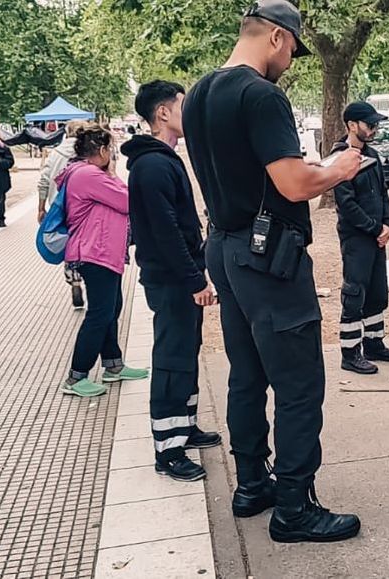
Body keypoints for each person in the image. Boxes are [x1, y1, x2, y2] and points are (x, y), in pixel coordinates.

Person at [182, 0, 362, 544]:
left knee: (247, 373)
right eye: (292, 52)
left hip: (226, 245)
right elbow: (293, 185)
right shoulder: (261, 95)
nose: (291, 62)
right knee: (299, 383)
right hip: (269, 257)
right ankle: (295, 508)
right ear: (278, 39)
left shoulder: (198, 94)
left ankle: (252, 484)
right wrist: (337, 169)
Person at [121, 80, 223, 482]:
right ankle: (168, 449)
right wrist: (194, 278)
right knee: (171, 359)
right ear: (162, 113)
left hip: (179, 277)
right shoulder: (153, 165)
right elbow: (165, 234)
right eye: (182, 106)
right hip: (171, 281)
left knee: (185, 353)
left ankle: (185, 424)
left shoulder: (163, 159)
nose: (189, 113)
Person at [58, 124, 149, 397]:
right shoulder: (88, 174)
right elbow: (127, 200)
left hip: (102, 252)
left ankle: (113, 365)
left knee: (111, 308)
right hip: (95, 253)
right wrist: (110, 172)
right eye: (110, 149)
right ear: (101, 149)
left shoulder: (85, 172)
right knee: (99, 314)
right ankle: (76, 377)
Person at [332, 101, 389, 375]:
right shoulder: (340, 158)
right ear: (352, 125)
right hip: (357, 238)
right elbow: (347, 205)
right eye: (369, 124)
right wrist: (374, 229)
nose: (374, 129)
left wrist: (388, 223)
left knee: (377, 291)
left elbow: (384, 194)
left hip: (377, 236)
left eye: (376, 124)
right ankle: (350, 352)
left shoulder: (372, 155)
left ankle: (375, 343)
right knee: (355, 292)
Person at [38, 120, 89, 309]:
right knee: (86, 243)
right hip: (85, 208)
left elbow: (43, 181)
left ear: (66, 133)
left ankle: (73, 277)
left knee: (68, 243)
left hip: (60, 207)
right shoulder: (86, 152)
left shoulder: (55, 154)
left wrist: (41, 207)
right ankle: (88, 275)